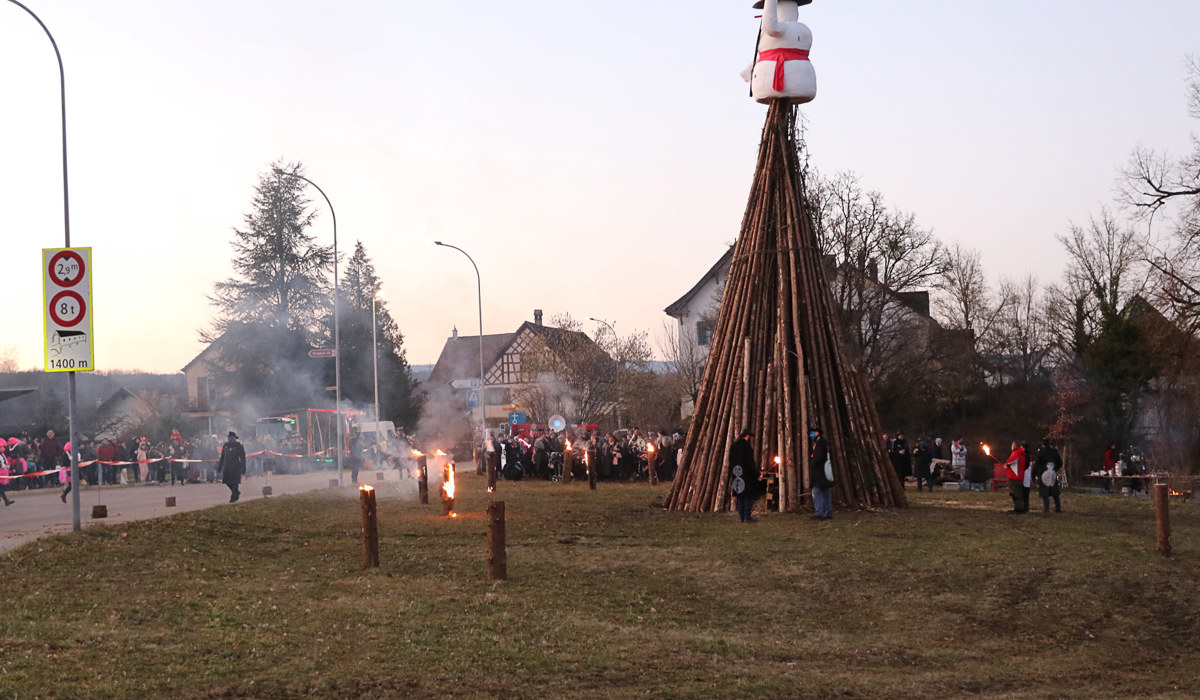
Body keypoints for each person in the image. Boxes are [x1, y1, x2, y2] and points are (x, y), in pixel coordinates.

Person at [728, 430, 761, 523]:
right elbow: (750, 463)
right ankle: (747, 516)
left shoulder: (733, 446)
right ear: (747, 436)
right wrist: (756, 475)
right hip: (746, 475)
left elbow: (730, 461)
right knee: (748, 495)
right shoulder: (746, 447)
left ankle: (741, 516)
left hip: (736, 474)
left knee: (740, 495)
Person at [1033, 438, 1064, 513]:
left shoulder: (1040, 452)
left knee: (1045, 491)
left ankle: (1046, 507)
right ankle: (1058, 507)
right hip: (1053, 473)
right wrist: (1055, 468)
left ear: (1043, 444)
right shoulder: (1055, 452)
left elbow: (1036, 464)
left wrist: (1033, 475)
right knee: (1055, 491)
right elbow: (1060, 463)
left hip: (1043, 473)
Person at [808, 426, 833, 520]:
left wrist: (813, 463)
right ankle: (828, 513)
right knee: (825, 492)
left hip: (820, 472)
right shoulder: (824, 442)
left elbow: (819, 457)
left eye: (812, 433)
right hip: (824, 471)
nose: (811, 435)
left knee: (816, 491)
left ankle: (819, 512)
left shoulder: (820, 443)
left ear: (817, 433)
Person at [217, 431, 246, 503]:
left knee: (235, 482)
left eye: (232, 437)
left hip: (236, 466)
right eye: (229, 437)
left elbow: (242, 457)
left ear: (234, 438)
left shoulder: (239, 445)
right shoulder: (225, 445)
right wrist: (219, 467)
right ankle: (236, 492)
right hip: (227, 466)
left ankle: (233, 497)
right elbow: (222, 457)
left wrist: (243, 467)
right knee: (227, 481)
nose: (230, 439)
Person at [1004, 441, 1029, 514]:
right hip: (1018, 476)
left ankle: (1018, 509)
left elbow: (1013, 460)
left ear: (1014, 446)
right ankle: (1018, 508)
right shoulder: (1022, 453)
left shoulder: (1016, 452)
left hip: (1015, 476)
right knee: (1017, 493)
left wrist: (1007, 464)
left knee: (1016, 493)